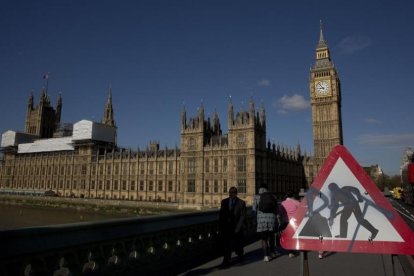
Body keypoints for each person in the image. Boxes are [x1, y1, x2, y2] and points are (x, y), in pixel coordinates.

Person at [219, 186, 247, 267]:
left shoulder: (241, 202)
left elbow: (242, 216)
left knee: (238, 243)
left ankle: (240, 256)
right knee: (227, 245)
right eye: (230, 193)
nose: (231, 194)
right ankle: (226, 260)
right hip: (227, 227)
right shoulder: (224, 202)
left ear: (236, 193)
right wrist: (221, 225)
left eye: (233, 193)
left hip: (237, 227)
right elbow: (221, 214)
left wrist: (238, 228)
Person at [252, 187, 278, 262]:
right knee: (271, 236)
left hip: (261, 220)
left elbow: (254, 210)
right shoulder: (273, 197)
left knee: (264, 239)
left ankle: (266, 256)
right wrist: (278, 221)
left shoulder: (256, 197)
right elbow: (277, 210)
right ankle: (272, 252)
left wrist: (254, 220)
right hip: (271, 219)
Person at [281, 190, 300, 258]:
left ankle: (290, 252)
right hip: (294, 222)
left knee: (289, 237)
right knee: (294, 236)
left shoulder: (283, 203)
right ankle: (294, 249)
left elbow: (281, 213)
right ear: (293, 196)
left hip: (286, 222)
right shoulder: (296, 202)